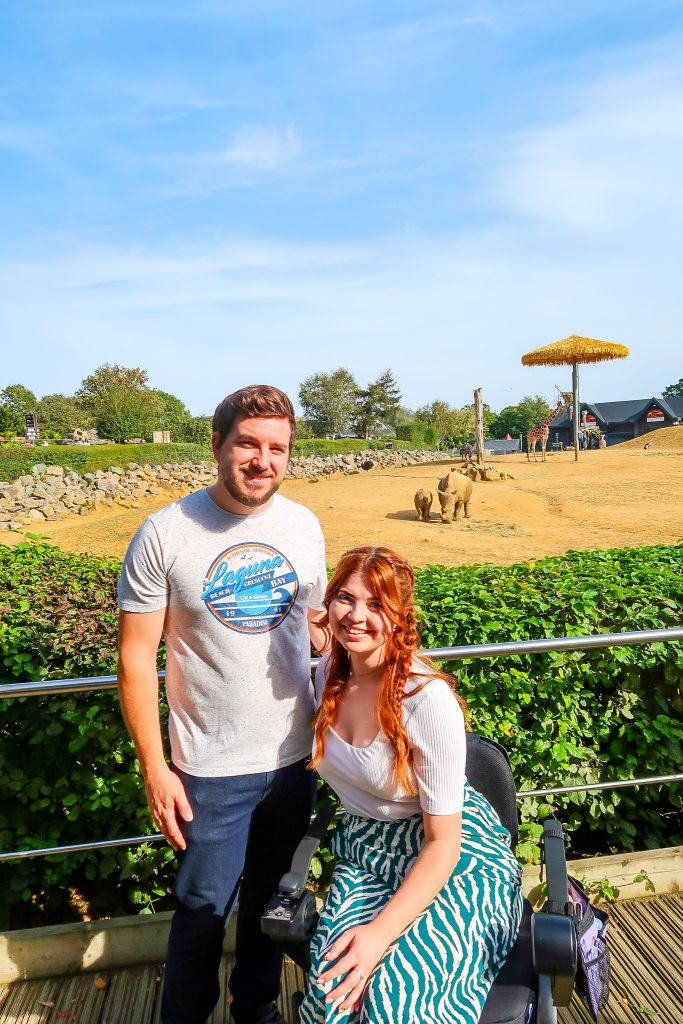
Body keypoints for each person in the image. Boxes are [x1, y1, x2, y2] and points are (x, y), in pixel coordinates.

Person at [117, 385, 328, 1024]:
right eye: (248, 444)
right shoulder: (165, 533)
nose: (263, 460)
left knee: (272, 906)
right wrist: (157, 769)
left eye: (278, 449)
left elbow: (313, 627)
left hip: (295, 761)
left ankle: (256, 1009)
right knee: (202, 915)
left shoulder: (304, 526)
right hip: (208, 770)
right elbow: (134, 658)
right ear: (217, 445)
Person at [300, 547, 522, 1024]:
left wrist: (380, 934)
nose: (357, 616)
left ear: (400, 617)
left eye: (377, 605)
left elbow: (445, 846)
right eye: (345, 598)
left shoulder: (425, 699)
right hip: (367, 850)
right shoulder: (327, 677)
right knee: (332, 993)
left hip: (453, 858)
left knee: (397, 1002)